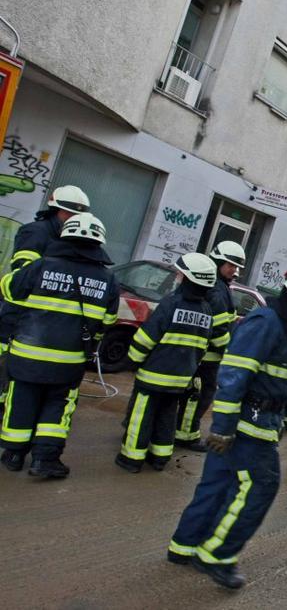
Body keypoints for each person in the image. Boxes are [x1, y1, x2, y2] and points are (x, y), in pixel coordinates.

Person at [168, 269, 287, 589]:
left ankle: (184, 546)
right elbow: (233, 376)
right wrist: (223, 428)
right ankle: (217, 555)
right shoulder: (266, 323)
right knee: (261, 486)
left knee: (217, 485)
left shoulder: (285, 329)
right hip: (248, 425)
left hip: (255, 422)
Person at [0, 213, 118, 478]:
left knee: (21, 401)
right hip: (69, 361)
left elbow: (9, 290)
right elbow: (108, 320)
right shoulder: (108, 279)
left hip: (26, 356)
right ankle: (45, 460)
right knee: (58, 406)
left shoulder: (41, 265)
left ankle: (14, 455)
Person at [116, 253, 217, 473]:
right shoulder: (206, 310)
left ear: (188, 278)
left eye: (180, 274)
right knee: (167, 418)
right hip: (180, 380)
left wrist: (132, 360)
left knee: (141, 417)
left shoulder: (171, 303)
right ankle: (159, 458)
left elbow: (146, 338)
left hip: (153, 377)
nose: (177, 277)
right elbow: (203, 347)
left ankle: (131, 459)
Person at [0, 185, 91, 400]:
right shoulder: (36, 232)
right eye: (68, 213)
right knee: (6, 361)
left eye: (77, 215)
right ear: (55, 210)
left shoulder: (67, 237)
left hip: (41, 318)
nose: (72, 218)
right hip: (19, 314)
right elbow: (23, 274)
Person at [175, 241, 246, 451]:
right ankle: (186, 436)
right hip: (206, 359)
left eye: (236, 267)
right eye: (230, 265)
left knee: (193, 396)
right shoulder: (216, 289)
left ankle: (182, 431)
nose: (234, 270)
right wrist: (230, 351)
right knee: (198, 397)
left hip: (202, 356)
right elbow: (217, 328)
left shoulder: (218, 285)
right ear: (218, 262)